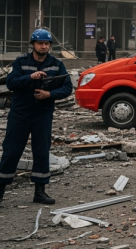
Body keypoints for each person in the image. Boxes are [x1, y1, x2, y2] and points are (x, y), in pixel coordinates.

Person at [0, 29, 72, 204]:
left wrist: (49, 94)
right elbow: (11, 82)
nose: (44, 46)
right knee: (11, 151)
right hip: (20, 114)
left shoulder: (56, 64)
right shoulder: (21, 62)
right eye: (40, 43)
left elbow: (67, 87)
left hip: (42, 115)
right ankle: (0, 191)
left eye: (47, 43)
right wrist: (30, 77)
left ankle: (40, 192)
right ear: (33, 44)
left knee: (41, 151)